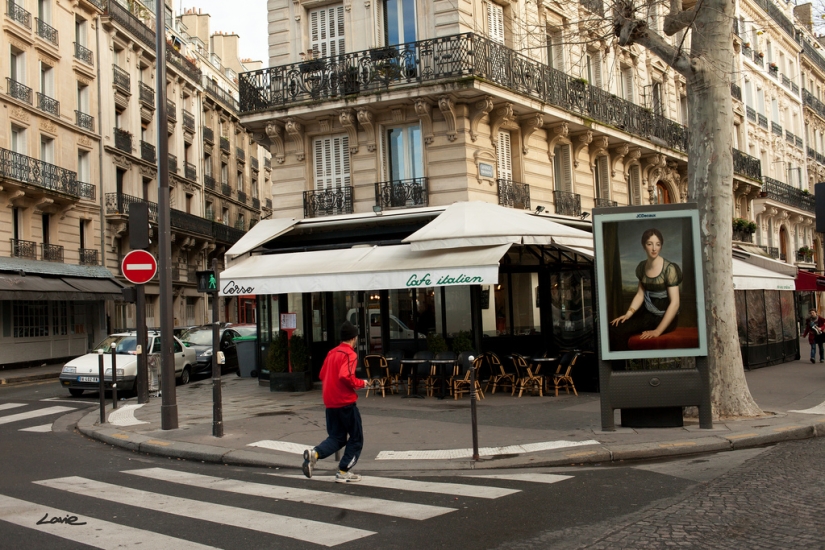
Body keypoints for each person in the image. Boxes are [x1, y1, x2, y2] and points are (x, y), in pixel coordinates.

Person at [302, 321, 369, 483]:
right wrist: (362, 383)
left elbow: (322, 374)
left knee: (337, 437)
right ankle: (343, 471)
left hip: (330, 402)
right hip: (345, 402)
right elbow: (345, 376)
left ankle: (315, 453)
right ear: (353, 338)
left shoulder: (331, 353)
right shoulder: (350, 354)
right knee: (356, 438)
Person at [609, 228, 682, 351]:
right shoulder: (642, 267)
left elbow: (675, 303)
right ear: (644, 246)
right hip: (646, 312)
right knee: (614, 328)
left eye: (657, 244)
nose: (654, 248)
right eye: (650, 244)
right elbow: (640, 295)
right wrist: (628, 314)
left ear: (661, 246)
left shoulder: (670, 269)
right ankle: (620, 368)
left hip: (665, 316)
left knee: (620, 332)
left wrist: (658, 331)